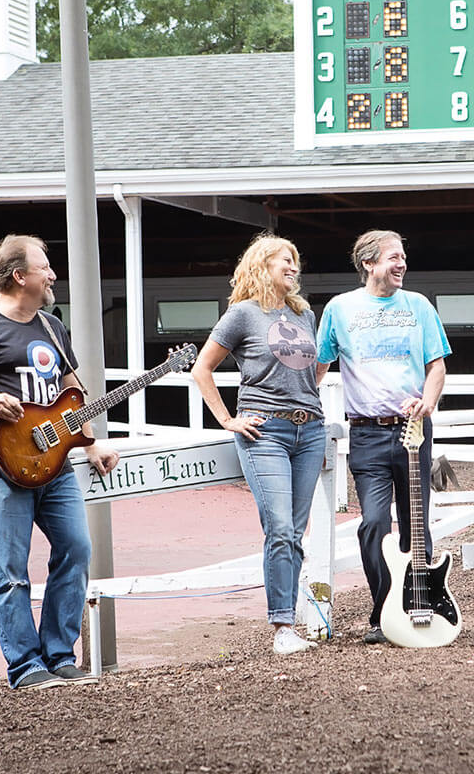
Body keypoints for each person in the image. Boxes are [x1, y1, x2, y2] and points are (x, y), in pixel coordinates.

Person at [0, 234, 119, 689]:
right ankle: (26, 666)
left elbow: (72, 392)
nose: (52, 275)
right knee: (10, 568)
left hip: (55, 466)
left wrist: (90, 443)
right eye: (45, 267)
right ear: (19, 276)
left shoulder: (52, 326)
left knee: (76, 549)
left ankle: (59, 656)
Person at [315, 229, 451, 645]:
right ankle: (384, 611)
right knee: (373, 522)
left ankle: (419, 604)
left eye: (404, 256)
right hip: (367, 435)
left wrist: (428, 402)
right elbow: (318, 367)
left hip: (413, 430)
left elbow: (436, 366)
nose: (402, 263)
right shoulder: (340, 309)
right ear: (369, 264)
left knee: (417, 525)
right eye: (394, 256)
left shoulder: (419, 306)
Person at [191, 233, 325, 655]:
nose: (293, 266)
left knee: (296, 532)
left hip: (311, 431)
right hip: (265, 433)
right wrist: (229, 419)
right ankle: (282, 627)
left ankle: (291, 619)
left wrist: (304, 403)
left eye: (295, 260)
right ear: (260, 265)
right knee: (280, 528)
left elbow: (311, 371)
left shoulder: (303, 313)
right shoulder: (242, 315)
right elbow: (201, 370)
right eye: (284, 260)